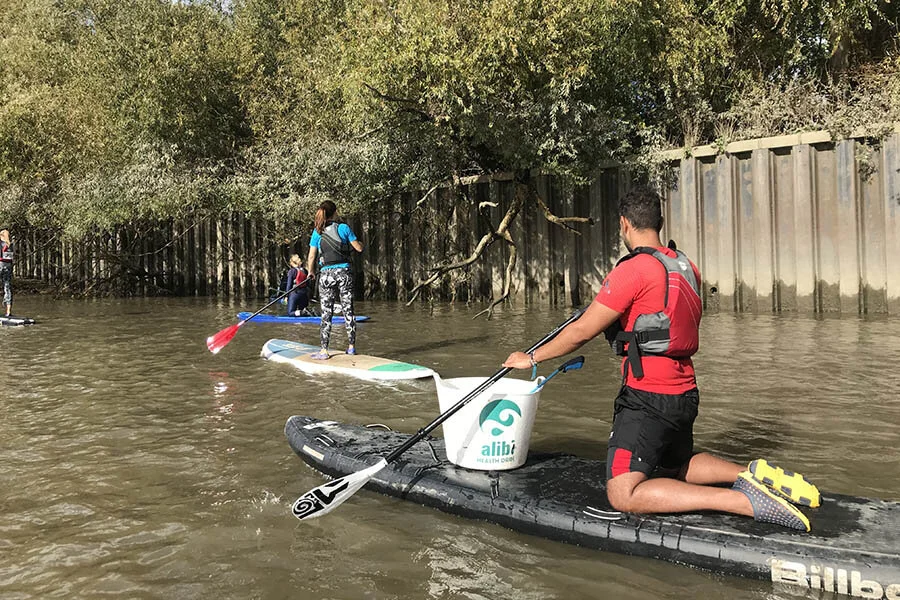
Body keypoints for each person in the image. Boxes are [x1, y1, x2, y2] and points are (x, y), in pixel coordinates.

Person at [503, 186, 820, 532]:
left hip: (647, 397)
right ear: (660, 222)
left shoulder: (633, 270)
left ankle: (744, 501)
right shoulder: (686, 267)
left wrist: (531, 357)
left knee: (623, 493)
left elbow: (581, 332)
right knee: (673, 466)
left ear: (624, 224)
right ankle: (750, 474)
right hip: (685, 393)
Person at [305, 200, 363, 359]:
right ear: (335, 212)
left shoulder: (317, 232)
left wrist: (310, 272)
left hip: (326, 275)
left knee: (326, 312)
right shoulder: (344, 228)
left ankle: (324, 351)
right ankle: (351, 347)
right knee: (348, 310)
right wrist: (361, 243)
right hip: (344, 273)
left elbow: (312, 256)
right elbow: (358, 248)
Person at [0, 228, 13, 317]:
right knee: (7, 287)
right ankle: (8, 312)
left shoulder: (1, 243)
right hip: (8, 267)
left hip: (0, 265)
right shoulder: (10, 244)